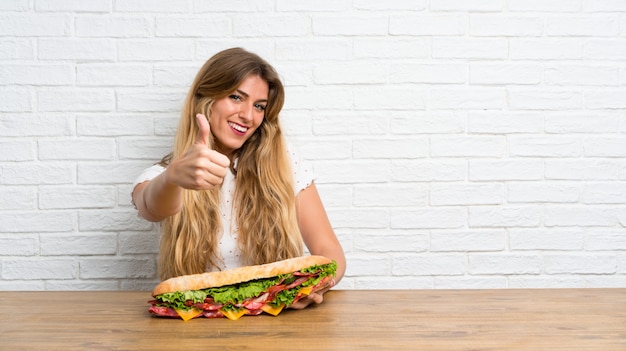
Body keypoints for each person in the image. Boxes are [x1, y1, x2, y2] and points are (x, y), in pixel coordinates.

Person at [131, 47, 346, 309]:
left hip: (276, 320)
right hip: (199, 322)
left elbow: (329, 251)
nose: (248, 115)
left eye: (259, 106)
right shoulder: (168, 174)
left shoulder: (284, 165)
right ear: (205, 99)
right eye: (236, 97)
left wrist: (314, 286)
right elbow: (150, 207)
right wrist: (173, 177)